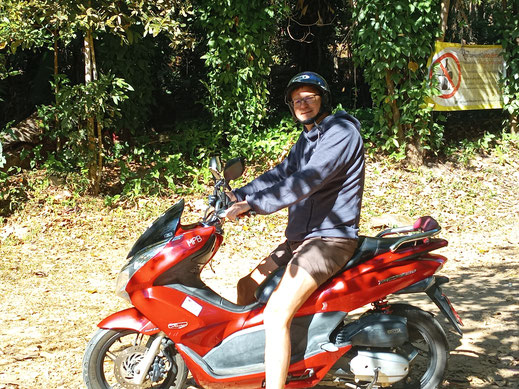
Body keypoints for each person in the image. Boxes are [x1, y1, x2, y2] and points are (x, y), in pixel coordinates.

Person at [225, 71, 365, 389]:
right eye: (296, 99)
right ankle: (248, 361)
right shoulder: (308, 138)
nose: (302, 104)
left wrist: (255, 205)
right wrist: (239, 195)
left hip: (329, 239)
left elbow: (309, 179)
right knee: (247, 286)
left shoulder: (341, 132)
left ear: (323, 99)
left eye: (309, 97)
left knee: (276, 313)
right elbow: (283, 173)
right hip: (300, 239)